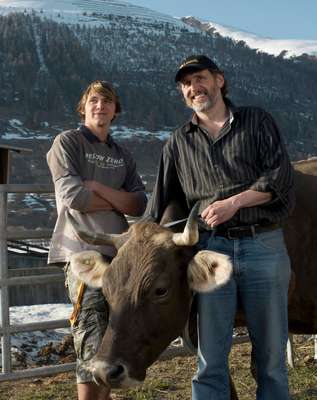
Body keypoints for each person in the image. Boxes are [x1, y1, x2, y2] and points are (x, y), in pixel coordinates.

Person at [146, 55, 295, 399]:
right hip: (210, 252)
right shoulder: (177, 142)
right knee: (210, 358)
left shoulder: (256, 121)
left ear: (219, 80)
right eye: (186, 84)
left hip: (264, 244)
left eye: (200, 78)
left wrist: (234, 203)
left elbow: (280, 177)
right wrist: (126, 247)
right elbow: (158, 207)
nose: (193, 88)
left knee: (271, 357)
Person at [47, 80, 147, 400]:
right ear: (83, 107)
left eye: (107, 101)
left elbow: (139, 204)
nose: (99, 106)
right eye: (93, 100)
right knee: (90, 338)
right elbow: (74, 197)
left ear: (115, 110)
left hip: (117, 258)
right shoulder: (68, 143)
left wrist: (100, 190)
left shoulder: (122, 154)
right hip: (82, 256)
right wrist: (119, 200)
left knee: (111, 342)